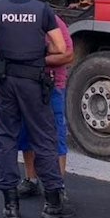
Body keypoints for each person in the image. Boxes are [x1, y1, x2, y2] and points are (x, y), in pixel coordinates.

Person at [0, 0, 74, 218]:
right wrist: (36, 54)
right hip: (35, 84)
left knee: (6, 140)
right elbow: (60, 49)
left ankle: (11, 206)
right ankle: (53, 203)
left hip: (6, 82)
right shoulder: (42, 10)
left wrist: (7, 54)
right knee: (44, 138)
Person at [17, 14, 74, 198]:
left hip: (51, 86)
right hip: (26, 86)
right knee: (26, 133)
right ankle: (31, 179)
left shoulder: (53, 21)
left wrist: (37, 60)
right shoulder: (18, 21)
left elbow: (68, 54)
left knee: (56, 136)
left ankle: (58, 187)